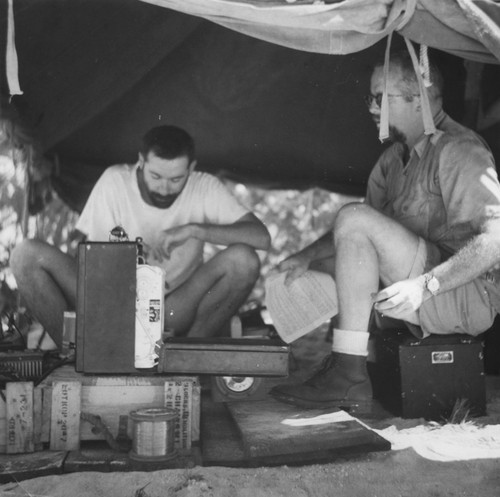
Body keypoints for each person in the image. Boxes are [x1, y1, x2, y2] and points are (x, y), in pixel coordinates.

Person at [270, 50, 500, 409]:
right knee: (341, 242)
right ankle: (344, 365)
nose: (371, 107)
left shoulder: (459, 149)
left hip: (460, 297)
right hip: (422, 292)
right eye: (371, 97)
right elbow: (355, 237)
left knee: (355, 216)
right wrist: (304, 257)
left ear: (417, 98)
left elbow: (495, 240)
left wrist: (426, 286)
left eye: (379, 97)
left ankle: (348, 374)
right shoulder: (392, 159)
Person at [10, 125, 271, 347]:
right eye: (156, 176)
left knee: (244, 259)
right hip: (110, 304)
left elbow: (261, 238)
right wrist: (127, 256)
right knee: (25, 254)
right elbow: (83, 256)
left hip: (170, 309)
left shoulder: (205, 187)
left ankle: (189, 356)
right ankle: (75, 353)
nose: (164, 188)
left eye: (176, 179)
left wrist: (195, 229)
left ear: (191, 168)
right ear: (141, 161)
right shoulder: (115, 181)